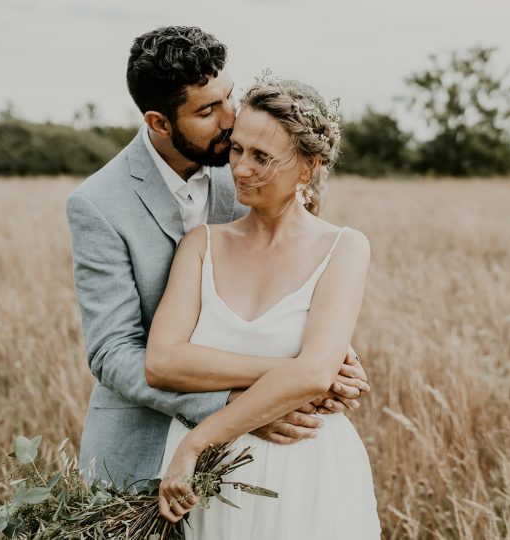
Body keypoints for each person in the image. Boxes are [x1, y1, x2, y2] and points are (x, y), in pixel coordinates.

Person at [66, 26, 369, 488]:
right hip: (142, 447)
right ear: (159, 123)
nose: (231, 119)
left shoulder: (245, 168)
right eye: (208, 111)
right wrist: (246, 398)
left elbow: (292, 274)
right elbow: (113, 353)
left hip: (270, 457)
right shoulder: (99, 204)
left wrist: (327, 358)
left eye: (228, 96)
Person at [147, 77, 381, 538]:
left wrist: (198, 440)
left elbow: (315, 375)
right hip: (212, 485)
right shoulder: (203, 243)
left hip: (305, 472)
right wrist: (289, 371)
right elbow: (162, 361)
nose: (239, 168)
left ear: (309, 167)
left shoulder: (344, 248)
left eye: (262, 158)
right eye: (237, 150)